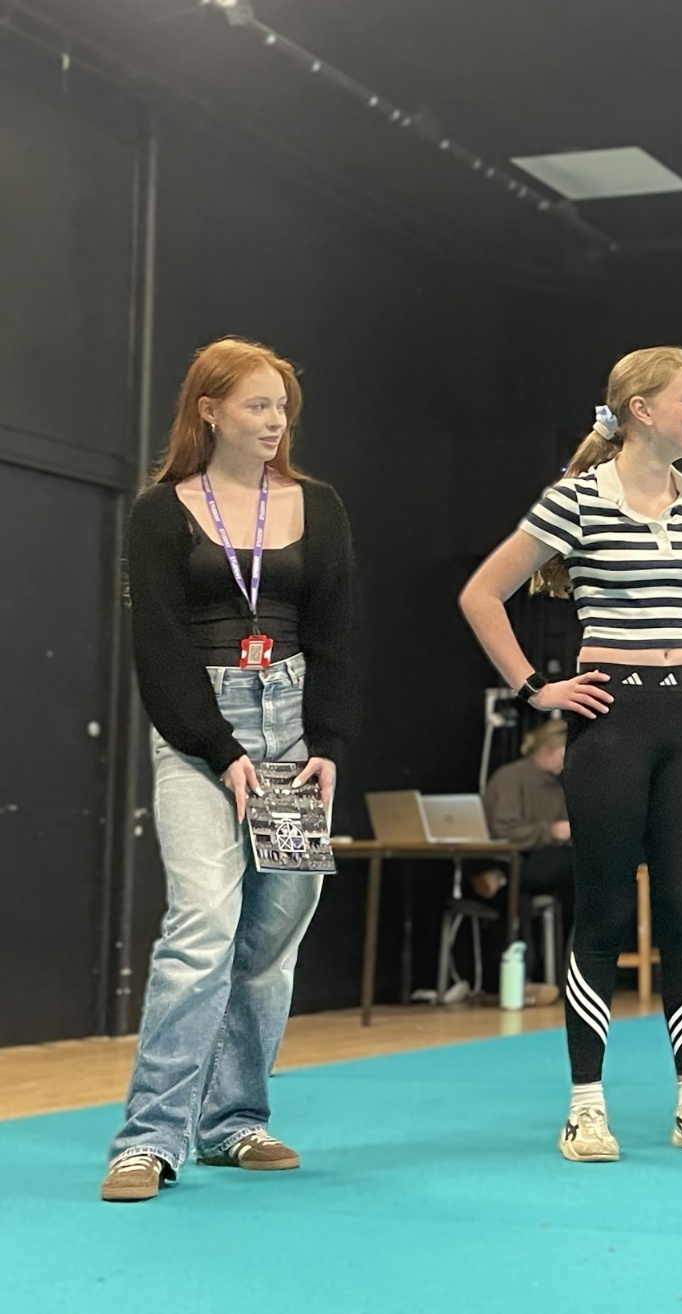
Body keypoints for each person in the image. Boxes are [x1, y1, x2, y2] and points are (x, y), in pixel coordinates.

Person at [459, 347, 682, 1163]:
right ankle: (586, 1107)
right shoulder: (576, 499)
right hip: (610, 723)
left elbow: (681, 610)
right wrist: (535, 688)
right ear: (642, 409)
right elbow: (482, 594)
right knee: (605, 913)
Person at [102, 339, 358, 1203]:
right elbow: (159, 647)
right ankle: (148, 1139)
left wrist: (327, 743)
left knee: (272, 938)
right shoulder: (159, 511)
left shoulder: (319, 506)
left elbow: (336, 634)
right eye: (257, 405)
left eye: (282, 406)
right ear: (209, 410)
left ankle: (234, 1121)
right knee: (203, 925)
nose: (275, 420)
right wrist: (220, 750)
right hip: (197, 734)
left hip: (294, 733)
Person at [473, 721, 574, 986]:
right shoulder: (510, 778)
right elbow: (502, 830)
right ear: (547, 749)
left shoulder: (560, 785)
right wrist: (550, 831)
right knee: (572, 863)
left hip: (543, 861)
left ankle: (501, 878)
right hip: (511, 857)